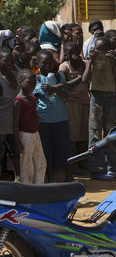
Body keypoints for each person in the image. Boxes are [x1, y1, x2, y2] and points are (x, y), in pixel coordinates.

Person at [84, 36, 116, 180]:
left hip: (110, 96)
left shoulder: (113, 60)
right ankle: (95, 168)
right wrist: (90, 62)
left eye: (103, 50)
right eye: (98, 49)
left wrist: (112, 62)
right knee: (94, 133)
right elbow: (84, 79)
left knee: (110, 133)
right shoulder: (91, 60)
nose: (101, 52)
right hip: (96, 97)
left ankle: (110, 167)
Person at [33, 49, 72, 182]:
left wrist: (56, 88)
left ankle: (63, 177)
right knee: (45, 151)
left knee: (62, 149)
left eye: (50, 63)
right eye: (44, 63)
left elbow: (66, 94)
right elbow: (34, 94)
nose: (47, 66)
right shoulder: (36, 78)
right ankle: (47, 177)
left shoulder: (58, 77)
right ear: (37, 63)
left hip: (60, 119)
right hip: (43, 120)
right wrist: (44, 89)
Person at [59, 41, 90, 164]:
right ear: (67, 55)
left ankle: (83, 162)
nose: (76, 56)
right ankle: (73, 163)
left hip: (86, 102)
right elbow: (64, 85)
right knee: (73, 135)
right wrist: (80, 76)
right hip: (72, 103)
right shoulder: (64, 67)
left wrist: (87, 67)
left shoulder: (84, 64)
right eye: (72, 54)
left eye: (78, 53)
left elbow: (88, 79)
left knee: (84, 134)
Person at [13, 69, 45, 183]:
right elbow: (15, 124)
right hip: (25, 136)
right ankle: (28, 189)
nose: (33, 85)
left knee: (40, 162)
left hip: (35, 134)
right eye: (29, 82)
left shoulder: (33, 98)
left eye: (34, 82)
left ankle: (38, 187)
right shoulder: (19, 101)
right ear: (20, 82)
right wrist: (17, 141)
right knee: (27, 166)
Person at [0, 49, 20, 177]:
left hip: (16, 122)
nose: (8, 63)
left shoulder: (16, 74)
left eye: (10, 60)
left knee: (16, 151)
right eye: (5, 60)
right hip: (2, 122)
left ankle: (18, 176)